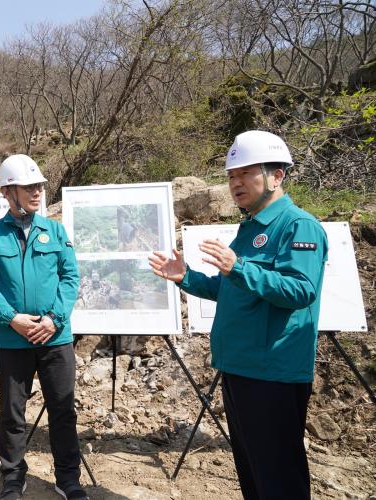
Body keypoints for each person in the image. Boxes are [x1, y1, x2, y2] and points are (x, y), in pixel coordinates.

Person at [149, 130, 328, 499]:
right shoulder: (249, 228)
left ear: (276, 175)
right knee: (253, 473)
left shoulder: (298, 226)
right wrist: (186, 277)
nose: (236, 183)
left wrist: (240, 268)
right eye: (232, 176)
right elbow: (229, 290)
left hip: (272, 373)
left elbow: (301, 291)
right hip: (239, 368)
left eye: (246, 173)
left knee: (279, 478)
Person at [0, 154, 85, 500]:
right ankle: (12, 478)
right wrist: (11, 318)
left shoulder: (55, 230)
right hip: (12, 338)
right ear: (8, 192)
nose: (37, 192)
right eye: (29, 187)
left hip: (55, 337)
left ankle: (68, 480)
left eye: (39, 186)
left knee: (63, 411)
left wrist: (54, 319)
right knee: (12, 414)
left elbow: (70, 277)